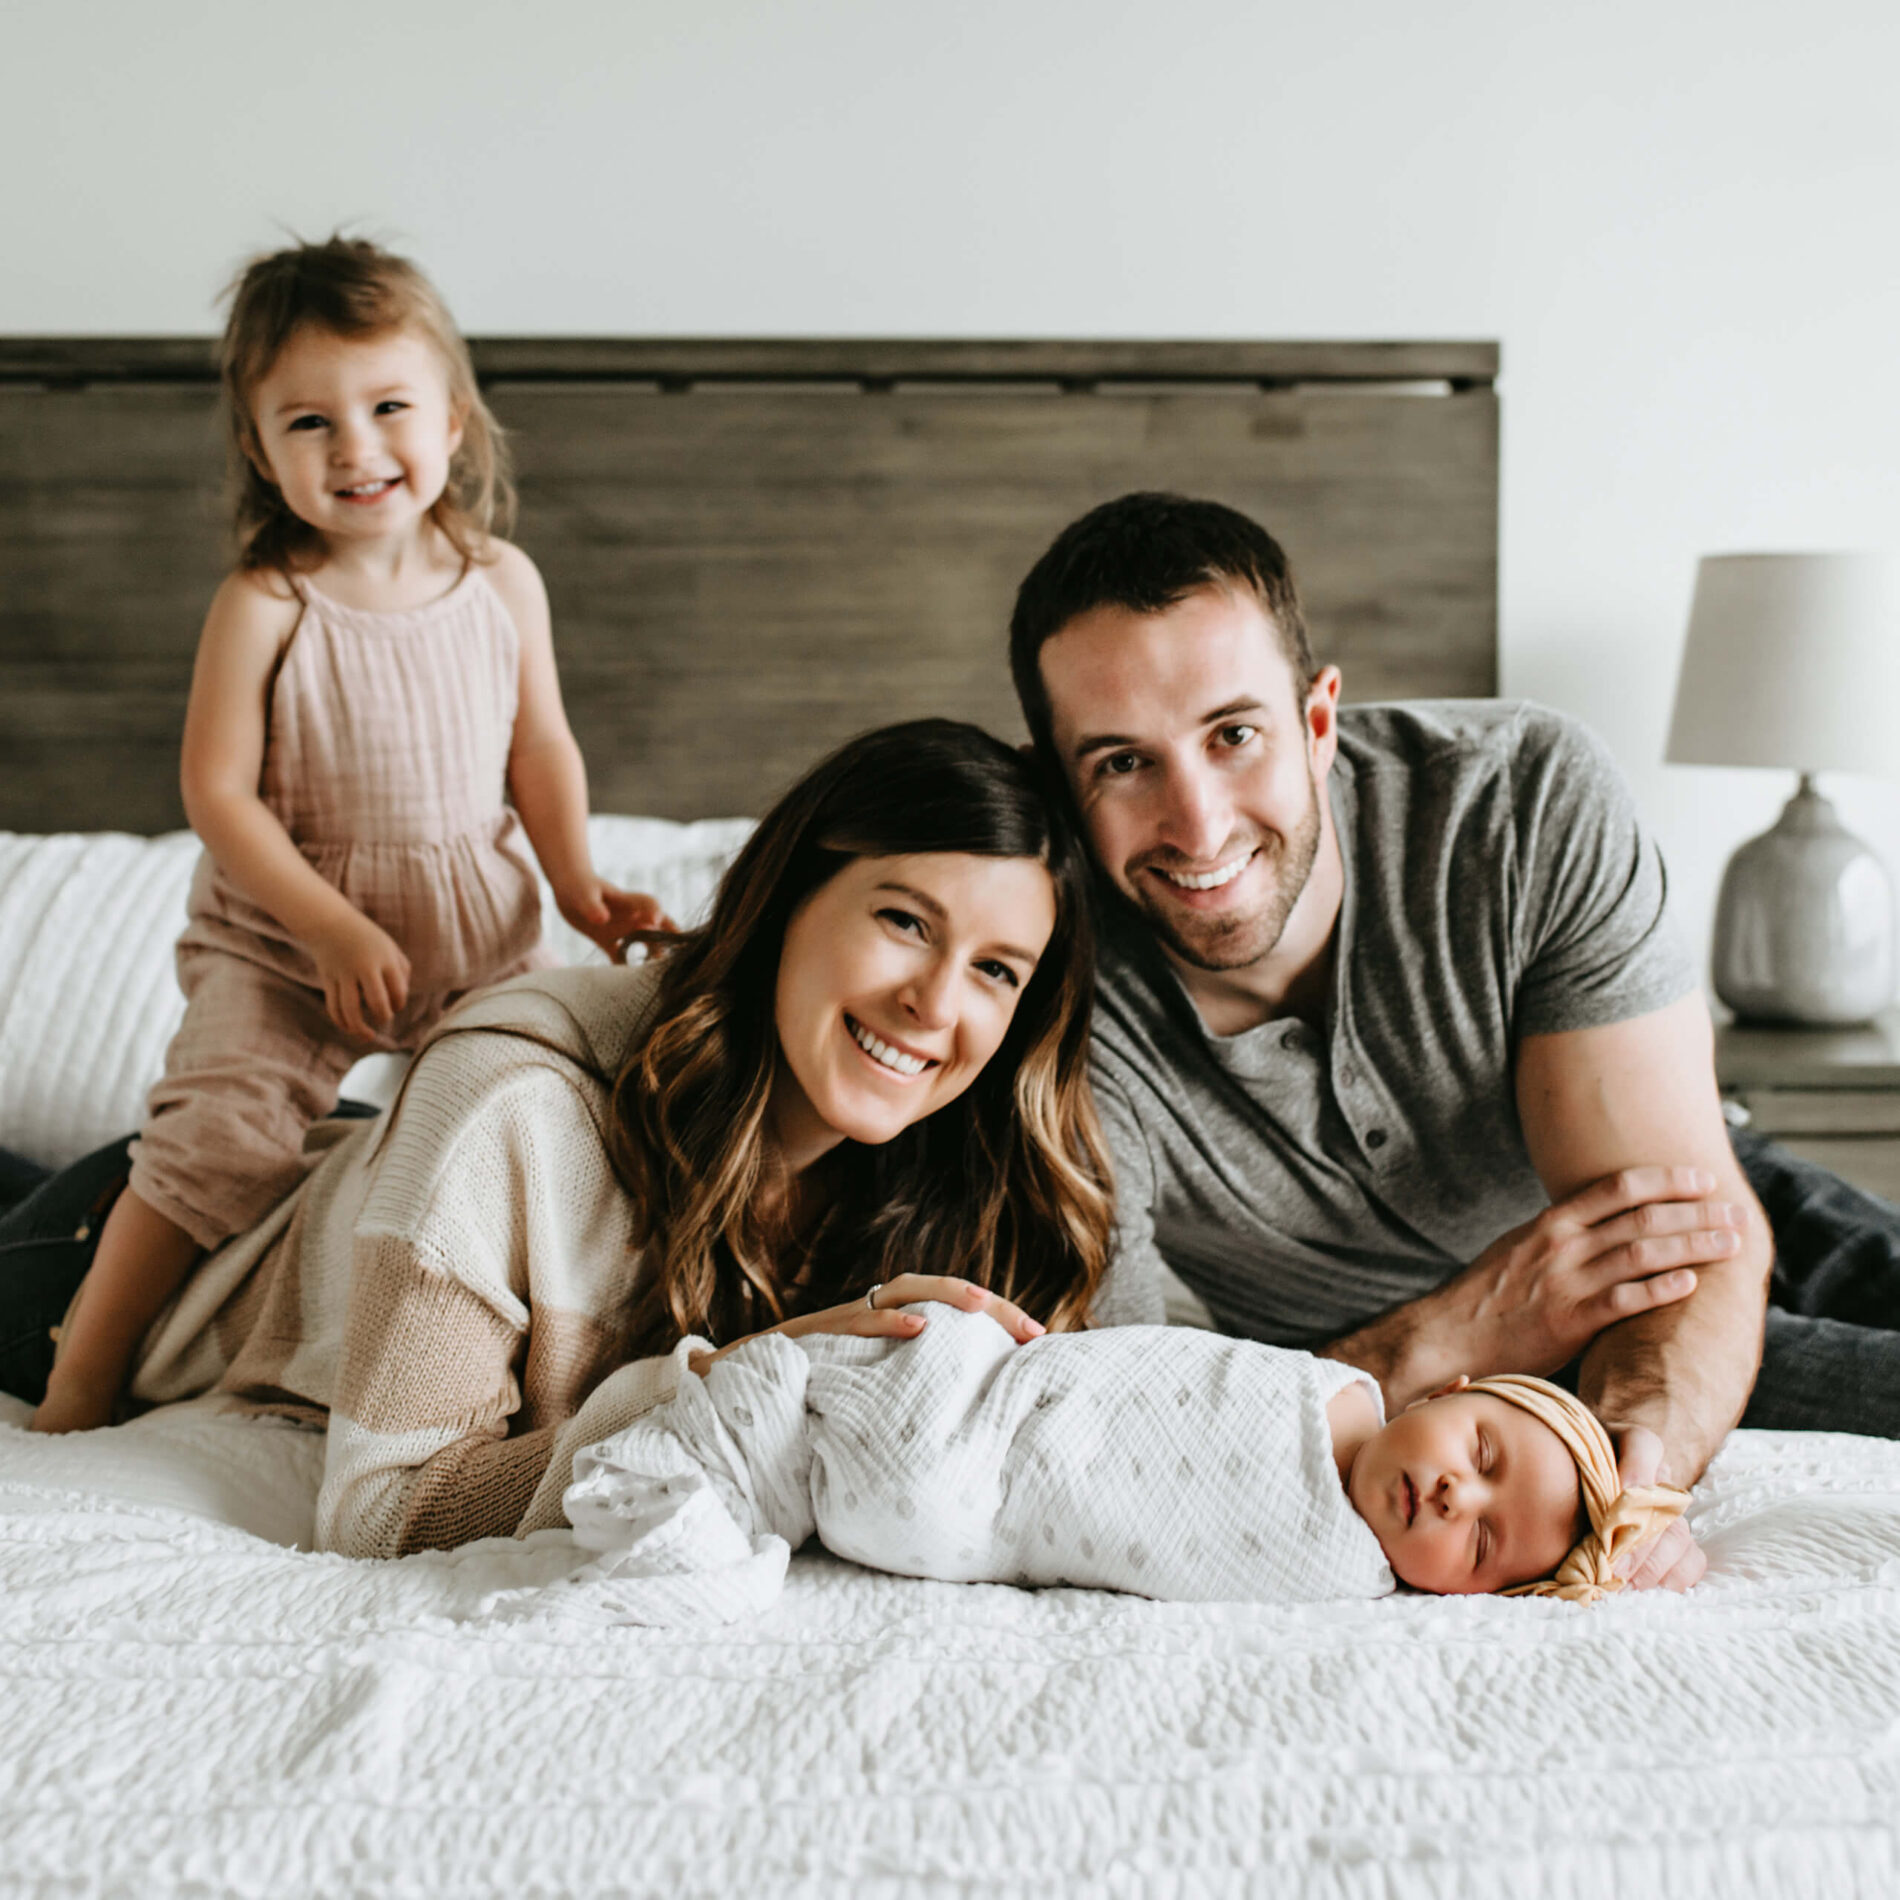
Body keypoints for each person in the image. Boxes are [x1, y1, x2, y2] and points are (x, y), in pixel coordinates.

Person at [1005, 490, 1900, 1594]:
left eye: (1233, 735)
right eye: (1121, 764)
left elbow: (1677, 1226)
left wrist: (1639, 1476)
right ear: (1060, 784)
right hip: (1416, 1386)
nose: (1197, 824)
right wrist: (1443, 1343)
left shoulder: (1519, 799)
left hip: (1670, 1230)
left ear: (1319, 719)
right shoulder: (1035, 998)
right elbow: (1149, 1433)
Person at [2, 720, 1140, 1556]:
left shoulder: (967, 1157)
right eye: (903, 919)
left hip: (366, 1177)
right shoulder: (512, 1102)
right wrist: (741, 1383)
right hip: (100, 1264)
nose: (935, 1006)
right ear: (789, 894)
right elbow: (379, 1510)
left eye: (996, 971)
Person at [31, 236, 670, 1434]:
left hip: (473, 926)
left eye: (387, 407)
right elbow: (218, 794)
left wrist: (581, 888)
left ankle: (567, 1354)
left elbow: (540, 751)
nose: (358, 447)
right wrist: (326, 926)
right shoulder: (267, 602)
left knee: (568, 1116)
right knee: (210, 1143)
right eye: (309, 422)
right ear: (259, 450)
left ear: (456, 421)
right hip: (287, 939)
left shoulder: (501, 582)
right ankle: (77, 1383)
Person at [529, 1307, 1682, 1623]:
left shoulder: (1339, 1577)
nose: (1451, 1495)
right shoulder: (1319, 1383)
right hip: (978, 1384)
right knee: (813, 1405)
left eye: (1479, 1543)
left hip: (959, 1508)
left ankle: (711, 1500)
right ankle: (718, 1439)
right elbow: (1137, 1367)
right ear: (1447, 1395)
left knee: (892, 1488)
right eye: (1479, 1455)